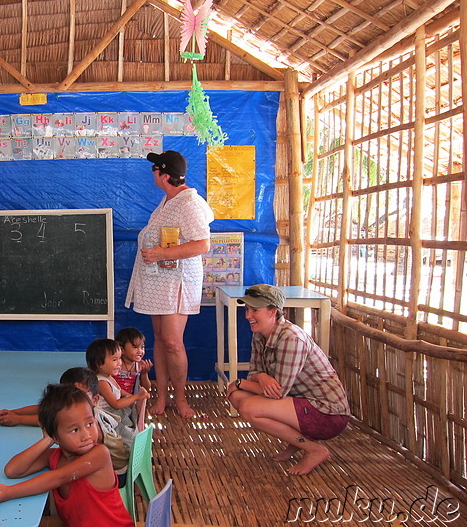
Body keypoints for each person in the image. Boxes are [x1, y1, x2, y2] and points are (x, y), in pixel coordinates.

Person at [125, 150, 214, 418]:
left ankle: (182, 399)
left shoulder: (189, 204)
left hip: (177, 281)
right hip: (158, 280)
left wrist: (161, 254)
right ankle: (161, 396)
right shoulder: (167, 201)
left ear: (164, 175)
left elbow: (203, 244)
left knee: (174, 342)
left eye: (154, 169)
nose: (151, 172)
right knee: (161, 339)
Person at [226, 284, 350, 475]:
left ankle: (314, 450)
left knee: (248, 406)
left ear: (273, 312)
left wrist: (240, 382)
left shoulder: (291, 338)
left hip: (328, 414)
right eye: (247, 309)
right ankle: (297, 443)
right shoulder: (260, 334)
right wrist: (262, 376)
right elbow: (254, 373)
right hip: (300, 403)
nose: (248, 316)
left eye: (255, 310)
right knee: (237, 397)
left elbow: (278, 392)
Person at [0, 384, 134, 527]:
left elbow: (58, 477)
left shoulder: (99, 454)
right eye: (74, 430)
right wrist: (48, 440)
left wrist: (9, 492)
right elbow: (13, 470)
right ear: (56, 436)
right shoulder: (55, 456)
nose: (86, 435)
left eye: (90, 424)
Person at [113, 327, 152, 393]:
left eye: (142, 347)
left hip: (131, 400)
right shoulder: (116, 363)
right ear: (122, 349)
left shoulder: (139, 365)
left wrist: (144, 373)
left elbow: (146, 388)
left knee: (144, 394)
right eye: (135, 347)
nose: (140, 351)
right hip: (114, 399)